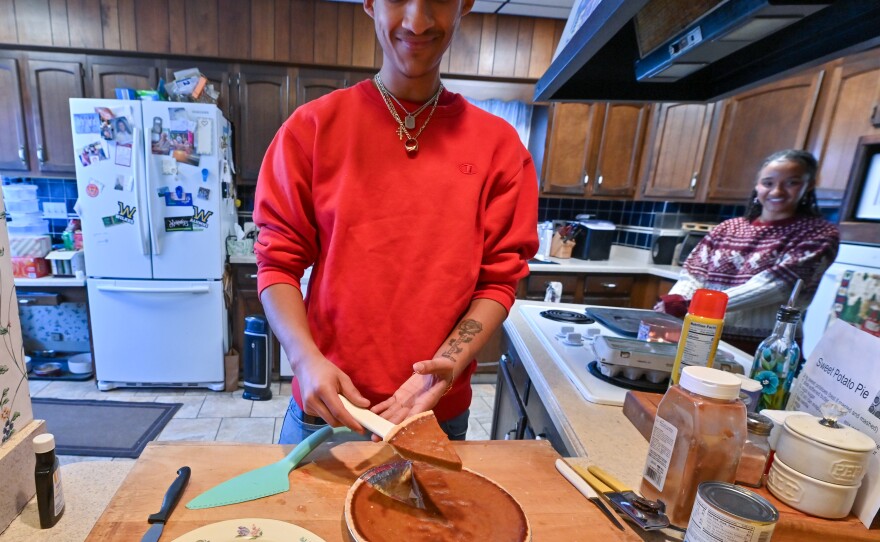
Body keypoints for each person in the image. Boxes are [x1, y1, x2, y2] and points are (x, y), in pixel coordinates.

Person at [253, 0, 538, 445]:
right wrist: (304, 359)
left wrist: (450, 361)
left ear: (464, 4)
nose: (417, 20)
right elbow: (277, 264)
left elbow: (499, 281)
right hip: (328, 411)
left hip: (434, 417)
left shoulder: (500, 147)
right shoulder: (310, 129)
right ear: (369, 3)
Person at [655, 150, 839, 354]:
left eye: (791, 183)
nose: (777, 191)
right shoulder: (727, 228)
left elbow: (776, 286)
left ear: (809, 185)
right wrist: (673, 307)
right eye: (768, 183)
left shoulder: (818, 234)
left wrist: (691, 305)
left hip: (765, 348)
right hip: (702, 337)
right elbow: (692, 275)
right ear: (757, 185)